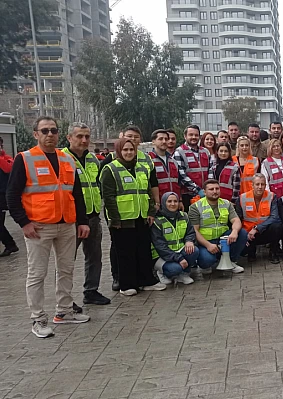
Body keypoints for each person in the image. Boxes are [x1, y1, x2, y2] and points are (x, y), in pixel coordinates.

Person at [7, 116, 91, 338]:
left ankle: (64, 312)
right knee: (37, 274)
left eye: (53, 130)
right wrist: (23, 223)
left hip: (66, 225)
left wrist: (82, 221)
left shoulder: (67, 159)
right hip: (38, 227)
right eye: (44, 131)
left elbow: (77, 193)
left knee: (66, 270)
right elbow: (11, 195)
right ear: (36, 134)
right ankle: (38, 319)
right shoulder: (24, 159)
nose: (50, 134)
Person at [101, 138, 165, 296]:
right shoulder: (110, 169)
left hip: (141, 217)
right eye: (125, 150)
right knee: (125, 253)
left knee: (143, 251)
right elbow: (108, 197)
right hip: (122, 220)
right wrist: (114, 219)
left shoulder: (142, 168)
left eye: (131, 149)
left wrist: (151, 212)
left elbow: (147, 192)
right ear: (119, 151)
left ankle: (146, 281)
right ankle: (127, 284)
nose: (129, 153)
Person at [63, 123, 110, 306]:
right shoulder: (62, 159)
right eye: (79, 136)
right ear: (69, 138)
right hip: (71, 219)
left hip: (92, 217)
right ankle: (65, 299)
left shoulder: (92, 159)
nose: (84, 140)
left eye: (87, 136)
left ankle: (91, 291)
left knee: (94, 256)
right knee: (66, 261)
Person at [190, 180, 248, 274]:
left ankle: (231, 261)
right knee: (207, 261)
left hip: (223, 239)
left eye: (217, 188)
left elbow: (236, 220)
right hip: (205, 242)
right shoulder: (195, 207)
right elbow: (194, 231)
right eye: (211, 189)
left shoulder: (226, 203)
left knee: (242, 233)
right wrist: (208, 245)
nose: (215, 191)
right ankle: (209, 262)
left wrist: (234, 231)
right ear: (204, 192)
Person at [151, 192, 198, 285]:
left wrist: (189, 241)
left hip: (178, 250)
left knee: (194, 250)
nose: (173, 204)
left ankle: (183, 274)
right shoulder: (157, 221)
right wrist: (179, 258)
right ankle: (161, 272)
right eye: (169, 201)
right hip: (161, 256)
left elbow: (190, 232)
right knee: (175, 269)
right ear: (164, 202)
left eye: (175, 201)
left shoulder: (184, 216)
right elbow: (160, 246)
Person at [237, 173, 282, 263]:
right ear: (252, 185)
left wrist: (257, 228)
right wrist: (242, 234)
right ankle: (251, 252)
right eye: (257, 184)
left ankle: (273, 252)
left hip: (265, 230)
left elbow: (274, 217)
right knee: (243, 252)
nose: (260, 187)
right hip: (248, 233)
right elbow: (238, 219)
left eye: (262, 184)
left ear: (265, 185)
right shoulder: (242, 198)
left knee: (277, 226)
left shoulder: (272, 197)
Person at [173, 124, 208, 208]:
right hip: (188, 194)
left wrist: (208, 187)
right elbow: (181, 175)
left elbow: (210, 170)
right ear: (185, 136)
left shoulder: (205, 151)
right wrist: (197, 189)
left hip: (206, 194)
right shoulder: (179, 152)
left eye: (196, 135)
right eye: (191, 135)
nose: (194, 137)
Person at [148, 129, 184, 201]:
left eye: (166, 139)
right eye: (160, 139)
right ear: (153, 141)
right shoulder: (148, 160)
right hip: (158, 203)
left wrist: (180, 200)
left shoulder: (173, 161)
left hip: (173, 203)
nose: (164, 141)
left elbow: (178, 183)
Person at [0, 137, 19, 257]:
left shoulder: (6, 159)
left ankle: (10, 244)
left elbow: (8, 169)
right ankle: (10, 244)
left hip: (2, 196)